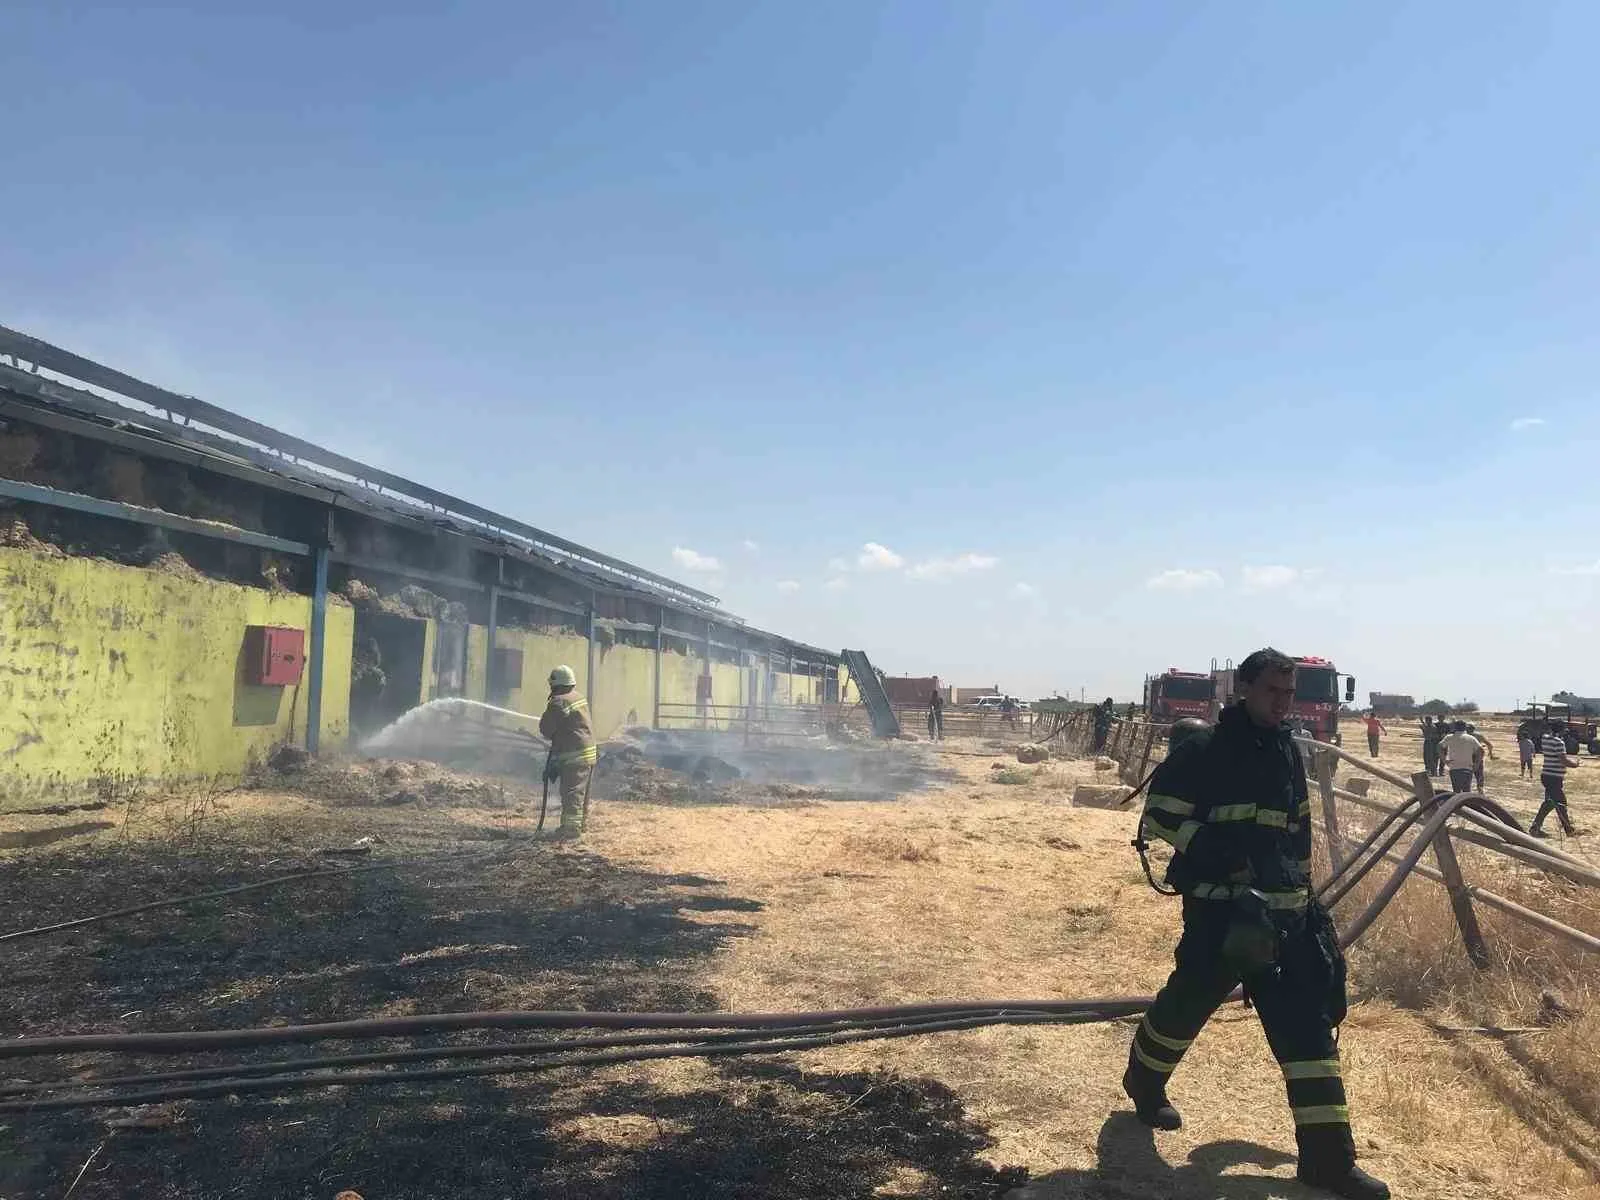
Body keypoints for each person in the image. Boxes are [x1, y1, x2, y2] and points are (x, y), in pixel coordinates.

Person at [1128, 648, 1388, 1199]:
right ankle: (1144, 1082)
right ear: (1243, 688)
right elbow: (1160, 818)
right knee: (1184, 1008)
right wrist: (1219, 853)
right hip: (1219, 913)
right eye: (1274, 691)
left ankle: (1327, 1162)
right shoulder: (1201, 749)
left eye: (1289, 693)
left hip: (1285, 916)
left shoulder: (1288, 750)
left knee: (1307, 1031)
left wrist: (1304, 898)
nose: (1283, 702)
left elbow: (1296, 827)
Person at [538, 664, 597, 840]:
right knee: (581, 794)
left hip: (575, 755)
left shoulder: (558, 702)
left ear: (556, 685)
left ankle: (571, 831)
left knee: (571, 793)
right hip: (588, 752)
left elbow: (546, 729)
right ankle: (580, 825)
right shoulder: (578, 697)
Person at [1531, 721, 1580, 838]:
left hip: (1547, 775)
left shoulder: (1545, 739)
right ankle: (1568, 830)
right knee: (1560, 803)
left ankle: (1536, 827)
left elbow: (1544, 734)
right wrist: (1576, 763)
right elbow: (1564, 761)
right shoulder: (1559, 743)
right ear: (1561, 730)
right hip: (1554, 778)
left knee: (1552, 803)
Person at [1438, 721, 1480, 795]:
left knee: (1456, 791)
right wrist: (1477, 764)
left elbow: (1439, 747)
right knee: (1466, 791)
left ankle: (1458, 805)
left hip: (1454, 767)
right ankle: (1466, 805)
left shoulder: (1449, 737)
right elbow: (1481, 751)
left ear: (1455, 727)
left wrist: (1444, 760)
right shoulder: (1471, 738)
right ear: (1465, 727)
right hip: (1467, 767)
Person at [1466, 724, 1493, 791]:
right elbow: (1489, 745)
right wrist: (1490, 753)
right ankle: (1480, 787)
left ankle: (1468, 788)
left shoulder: (1465, 736)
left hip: (1469, 756)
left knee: (1468, 772)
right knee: (1479, 772)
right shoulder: (1478, 735)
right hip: (1477, 755)